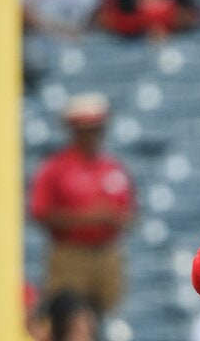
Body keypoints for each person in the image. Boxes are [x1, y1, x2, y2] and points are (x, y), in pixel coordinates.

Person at [28, 94, 136, 313]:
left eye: (97, 129)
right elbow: (40, 213)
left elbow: (130, 212)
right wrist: (89, 217)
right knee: (68, 313)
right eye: (87, 130)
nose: (93, 135)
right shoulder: (56, 168)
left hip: (107, 253)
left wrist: (117, 218)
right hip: (70, 253)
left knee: (106, 313)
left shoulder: (112, 167)